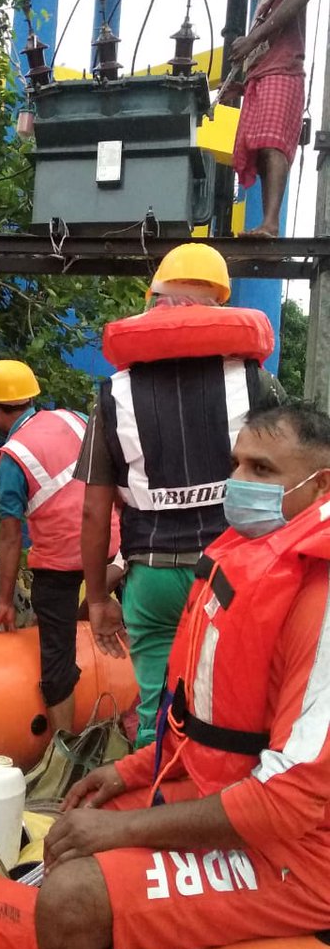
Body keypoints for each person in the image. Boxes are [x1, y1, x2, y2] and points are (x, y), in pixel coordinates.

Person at [36, 401, 330, 949]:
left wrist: (124, 832)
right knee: (73, 828)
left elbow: (289, 801)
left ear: (323, 485)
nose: (238, 484)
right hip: (232, 798)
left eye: (263, 468)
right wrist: (127, 773)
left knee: (70, 899)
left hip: (307, 856)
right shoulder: (251, 551)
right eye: (236, 465)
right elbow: (205, 721)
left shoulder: (321, 591)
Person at [75, 242, 284, 748]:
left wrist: (99, 597)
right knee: (232, 701)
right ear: (221, 307)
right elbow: (288, 479)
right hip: (231, 569)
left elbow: (92, 510)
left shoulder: (114, 395)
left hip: (150, 575)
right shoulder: (256, 383)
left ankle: (152, 799)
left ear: (155, 303)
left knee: (155, 706)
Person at [0, 360, 119, 734]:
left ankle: (63, 749)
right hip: (112, 543)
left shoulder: (13, 458)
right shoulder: (73, 419)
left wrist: (5, 602)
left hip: (60, 563)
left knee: (56, 657)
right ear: (32, 397)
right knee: (108, 615)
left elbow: (10, 537)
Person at [219, 0, 311, 239]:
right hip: (262, 80)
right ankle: (267, 226)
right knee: (260, 152)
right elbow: (267, 48)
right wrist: (242, 86)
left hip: (284, 73)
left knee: (273, 144)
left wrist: (253, 37)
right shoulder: (263, 2)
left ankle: (271, 223)